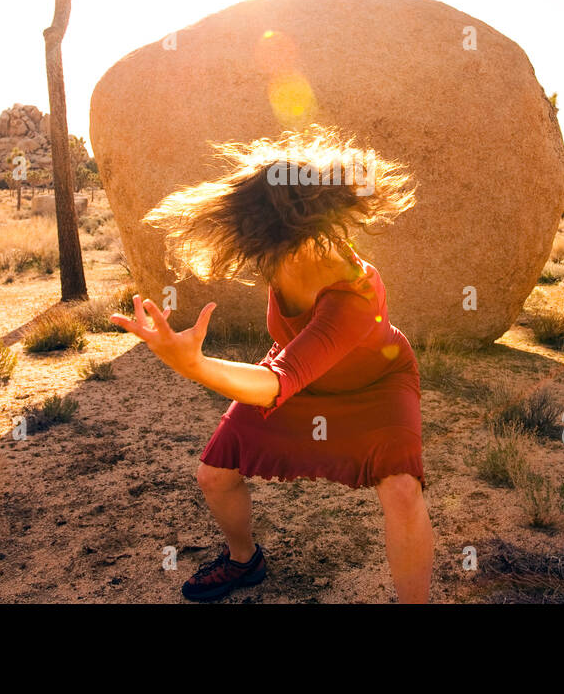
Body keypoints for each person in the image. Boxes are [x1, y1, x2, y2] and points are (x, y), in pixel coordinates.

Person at [109, 125, 433, 603]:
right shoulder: (279, 252)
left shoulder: (353, 296)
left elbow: (278, 382)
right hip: (298, 377)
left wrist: (192, 364)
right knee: (215, 474)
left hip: (376, 385)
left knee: (402, 491)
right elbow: (284, 370)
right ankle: (245, 561)